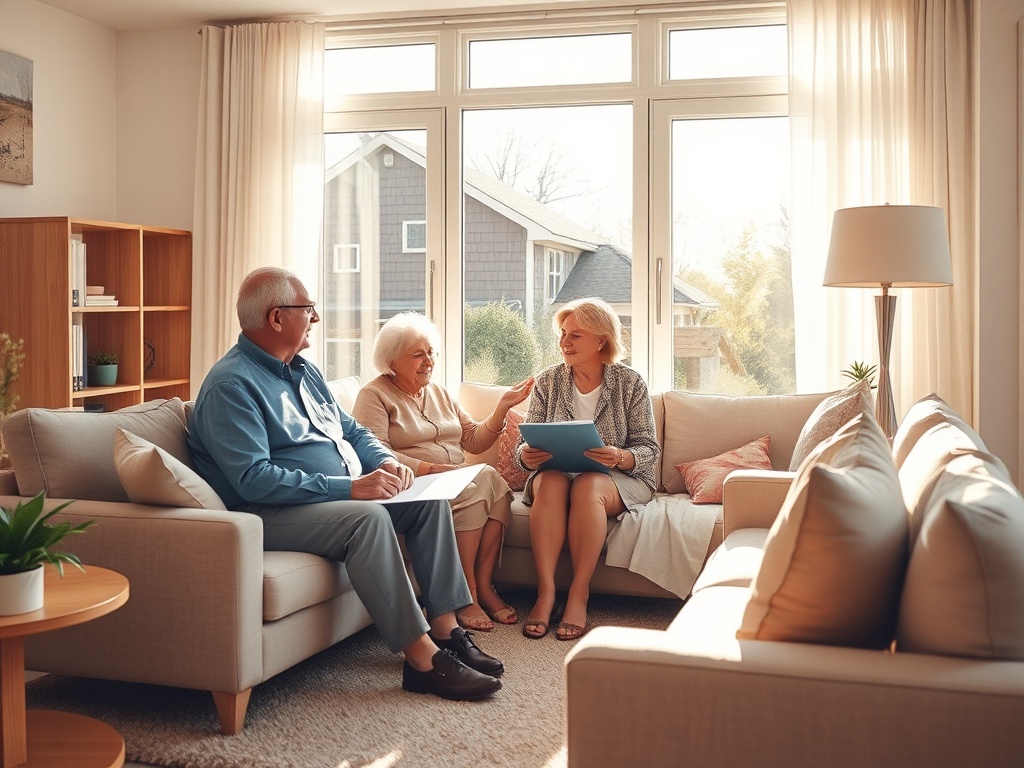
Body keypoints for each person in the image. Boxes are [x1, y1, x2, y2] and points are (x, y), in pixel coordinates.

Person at [187, 266, 504, 701]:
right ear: (276, 318)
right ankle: (422, 660)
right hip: (264, 513)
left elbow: (353, 431)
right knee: (368, 520)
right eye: (308, 309)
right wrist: (350, 488)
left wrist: (386, 462)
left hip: (320, 502)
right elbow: (252, 480)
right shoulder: (232, 384)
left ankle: (447, 632)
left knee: (426, 502)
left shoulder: (303, 370)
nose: (315, 318)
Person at [353, 312, 533, 632]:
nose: (429, 361)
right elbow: (373, 452)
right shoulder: (375, 395)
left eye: (431, 352)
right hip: (411, 485)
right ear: (392, 361)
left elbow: (474, 440)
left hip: (454, 477)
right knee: (480, 483)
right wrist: (431, 468)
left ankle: (483, 585)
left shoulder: (439, 392)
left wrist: (502, 407)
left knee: (492, 483)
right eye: (418, 354)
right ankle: (466, 597)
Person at [515, 297, 659, 641]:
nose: (564, 342)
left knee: (589, 484)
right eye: (563, 333)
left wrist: (619, 457)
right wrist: (526, 455)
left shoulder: (630, 383)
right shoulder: (549, 381)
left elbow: (649, 449)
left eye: (575, 335)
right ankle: (546, 593)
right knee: (549, 481)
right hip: (556, 474)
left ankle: (579, 595)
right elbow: (527, 442)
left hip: (617, 478)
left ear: (601, 340)